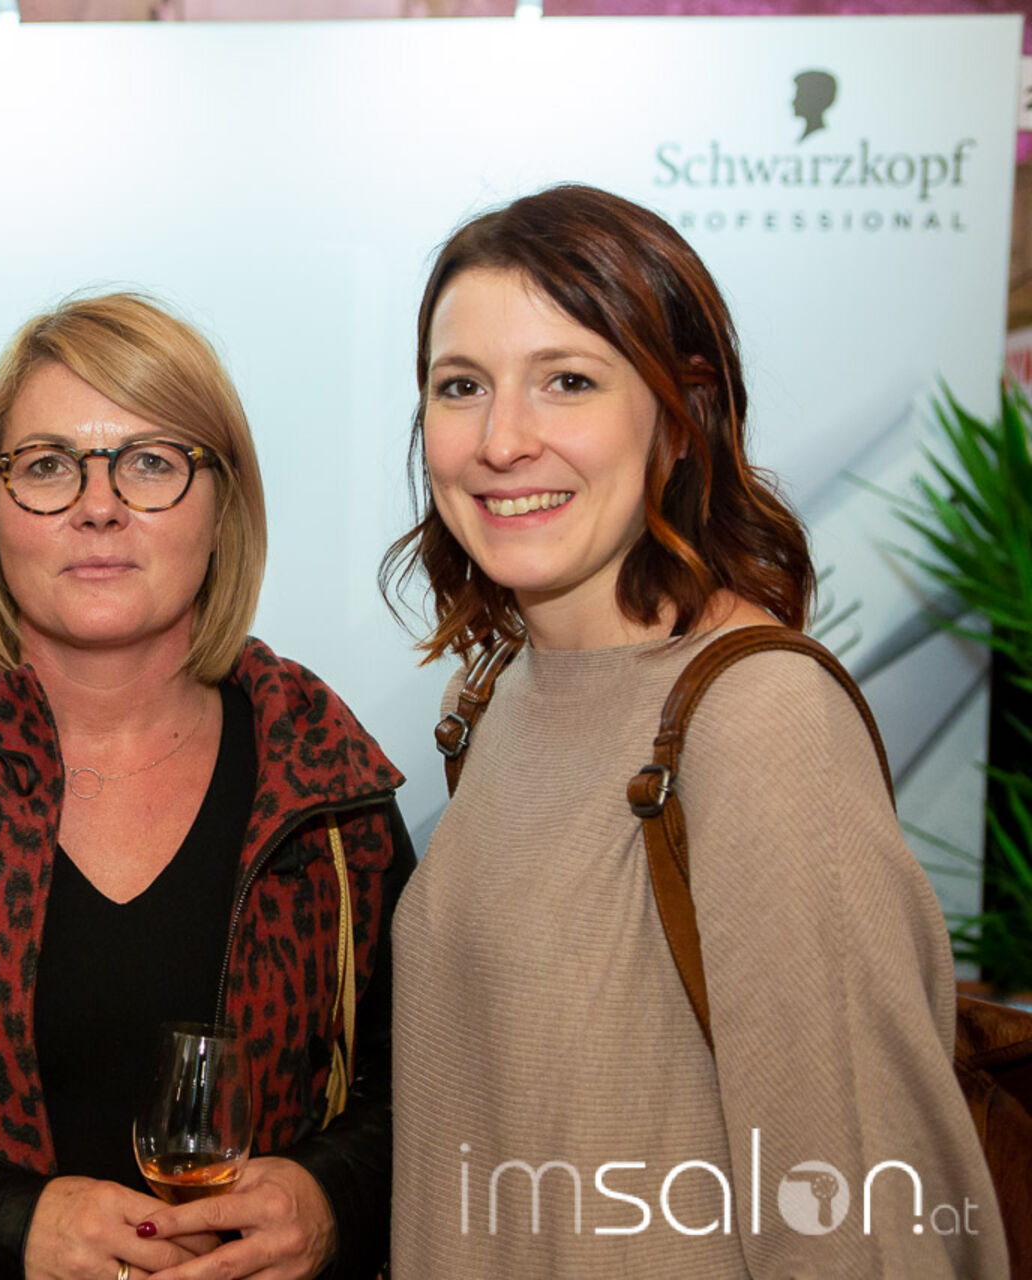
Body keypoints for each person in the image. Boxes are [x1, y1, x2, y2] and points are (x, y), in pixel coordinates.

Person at [383, 184, 1006, 1276]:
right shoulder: (495, 699)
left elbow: (862, 1223)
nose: (500, 440)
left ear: (681, 415)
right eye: (461, 386)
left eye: (568, 380)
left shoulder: (761, 724)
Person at [0, 293, 414, 1280]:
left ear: (223, 504)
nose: (99, 505)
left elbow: (422, 1085)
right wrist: (9, 1226)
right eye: (48, 465)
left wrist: (329, 1197)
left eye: (151, 462)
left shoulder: (325, 783)